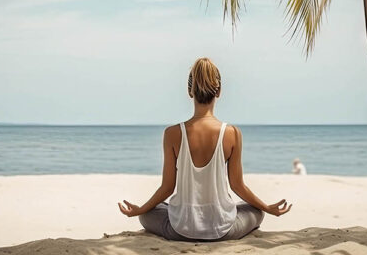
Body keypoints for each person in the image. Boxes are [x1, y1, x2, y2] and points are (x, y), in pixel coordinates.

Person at [118, 57, 292, 241]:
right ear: (219, 91)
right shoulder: (232, 133)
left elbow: (167, 187)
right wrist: (267, 208)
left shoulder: (172, 133)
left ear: (189, 91)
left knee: (148, 214)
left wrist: (140, 210)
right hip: (223, 230)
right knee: (255, 211)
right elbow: (237, 185)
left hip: (181, 229)